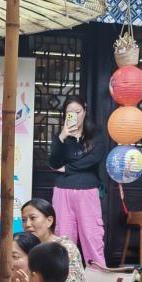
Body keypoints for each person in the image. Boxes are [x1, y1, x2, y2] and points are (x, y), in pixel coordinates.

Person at [49, 96, 107, 267]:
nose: (74, 115)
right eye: (70, 113)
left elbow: (95, 158)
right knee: (63, 237)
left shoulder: (95, 134)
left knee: (92, 236)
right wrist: (62, 137)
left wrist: (68, 168)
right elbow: (54, 163)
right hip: (62, 191)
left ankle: (98, 276)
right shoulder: (61, 136)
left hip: (87, 190)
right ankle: (65, 278)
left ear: (85, 110)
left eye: (78, 111)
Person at [22, 197, 88, 282]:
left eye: (33, 218)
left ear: (49, 221)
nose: (27, 224)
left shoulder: (65, 248)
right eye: (24, 220)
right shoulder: (27, 247)